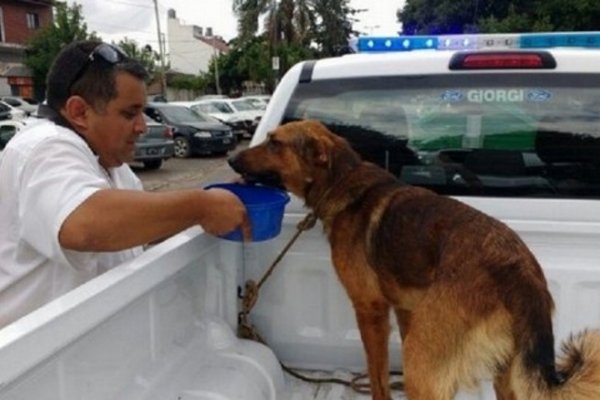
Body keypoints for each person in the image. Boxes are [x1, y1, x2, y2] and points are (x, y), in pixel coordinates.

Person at [0, 40, 250, 328]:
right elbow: (85, 225)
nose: (143, 126)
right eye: (129, 114)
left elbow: (144, 223)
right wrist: (202, 206)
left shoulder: (108, 162)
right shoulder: (44, 147)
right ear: (80, 112)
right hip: (32, 363)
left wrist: (219, 199)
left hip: (84, 352)